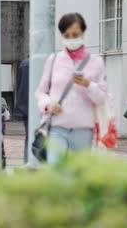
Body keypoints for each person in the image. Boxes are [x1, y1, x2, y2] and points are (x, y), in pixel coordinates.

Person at [35, 13, 108, 165]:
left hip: (83, 128)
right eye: (66, 35)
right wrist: (48, 104)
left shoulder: (96, 62)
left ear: (83, 33)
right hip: (56, 126)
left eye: (75, 34)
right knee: (55, 171)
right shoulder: (54, 59)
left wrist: (88, 84)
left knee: (78, 174)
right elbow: (40, 92)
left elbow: (102, 98)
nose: (71, 39)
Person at [15, 58, 30, 163]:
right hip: (45, 106)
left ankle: (28, 162)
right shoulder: (47, 60)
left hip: (26, 107)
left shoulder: (24, 64)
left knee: (29, 137)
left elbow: (19, 85)